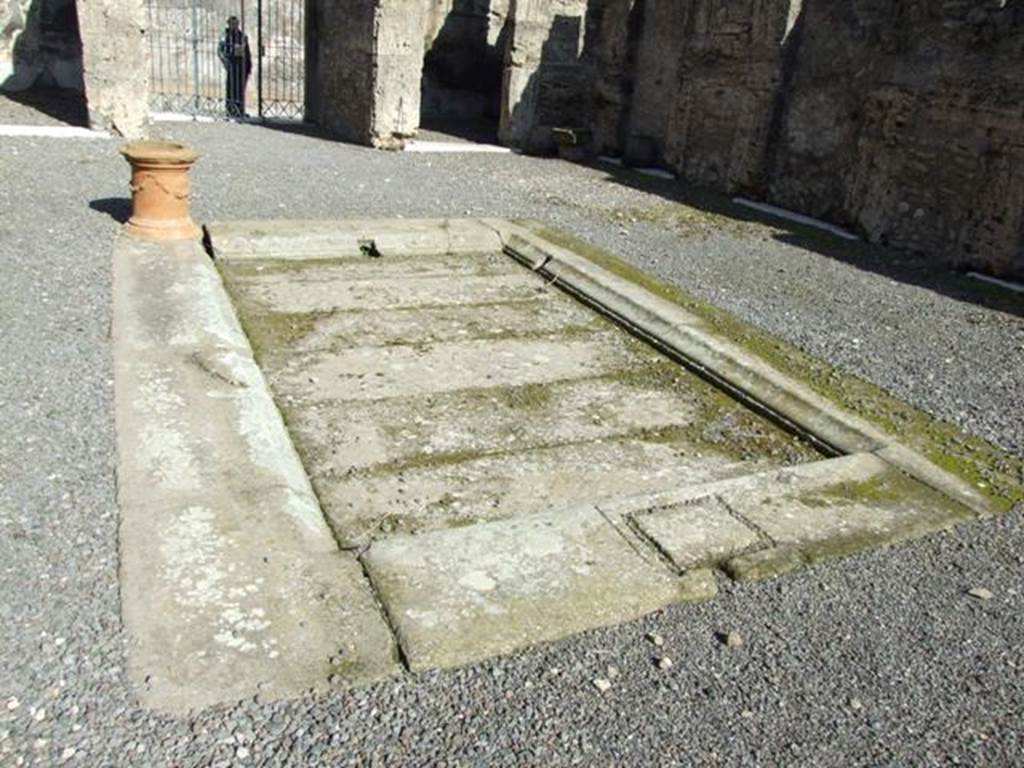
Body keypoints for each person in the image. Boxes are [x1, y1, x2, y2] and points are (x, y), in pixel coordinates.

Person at [218, 16, 252, 119]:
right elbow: (220, 51)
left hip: (242, 66)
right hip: (231, 66)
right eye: (232, 23)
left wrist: (249, 66)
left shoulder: (242, 36)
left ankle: (240, 110)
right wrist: (226, 62)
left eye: (236, 23)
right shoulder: (224, 36)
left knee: (240, 89)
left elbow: (247, 52)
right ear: (228, 24)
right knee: (231, 89)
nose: (235, 26)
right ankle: (230, 110)